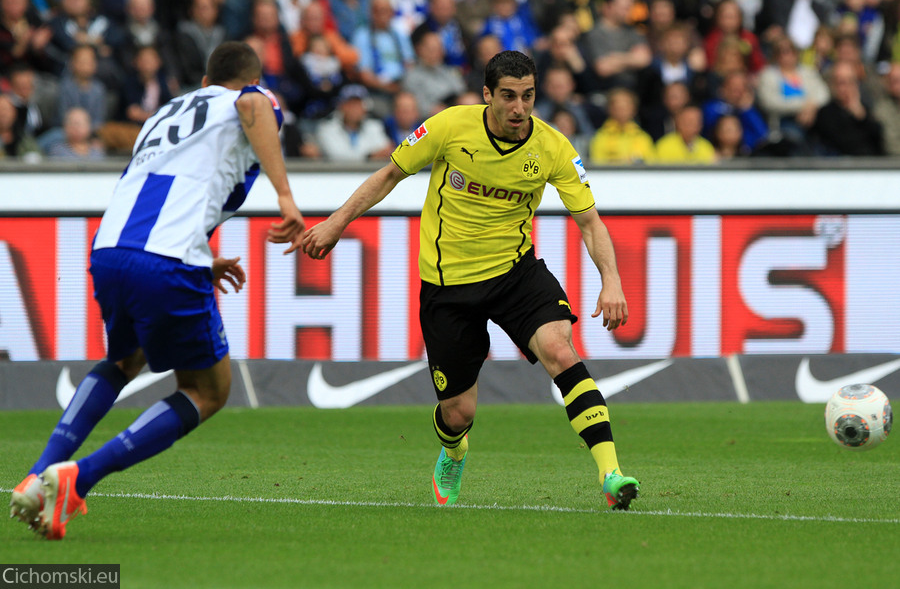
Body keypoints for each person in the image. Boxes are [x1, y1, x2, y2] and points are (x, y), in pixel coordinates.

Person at [301, 50, 640, 511]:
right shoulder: (448, 127)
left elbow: (590, 222)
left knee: (561, 350)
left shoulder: (554, 147)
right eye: (508, 97)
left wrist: (611, 280)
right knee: (459, 412)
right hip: (448, 285)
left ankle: (611, 474)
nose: (519, 108)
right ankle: (454, 450)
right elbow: (388, 176)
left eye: (528, 96)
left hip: (515, 273)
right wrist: (336, 223)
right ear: (487, 95)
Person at [9, 41, 306, 540]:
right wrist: (286, 197)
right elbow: (254, 106)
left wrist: (200, 257)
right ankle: (77, 478)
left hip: (112, 251)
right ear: (246, 78)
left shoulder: (165, 112)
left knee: (124, 361)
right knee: (208, 391)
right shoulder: (252, 98)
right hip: (165, 260)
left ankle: (38, 473)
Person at [314, 83, 393, 161]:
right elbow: (336, 156)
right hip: (337, 173)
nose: (355, 109)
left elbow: (384, 152)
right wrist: (369, 157)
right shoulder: (327, 128)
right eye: (351, 104)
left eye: (358, 104)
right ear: (341, 106)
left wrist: (376, 155)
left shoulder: (375, 126)